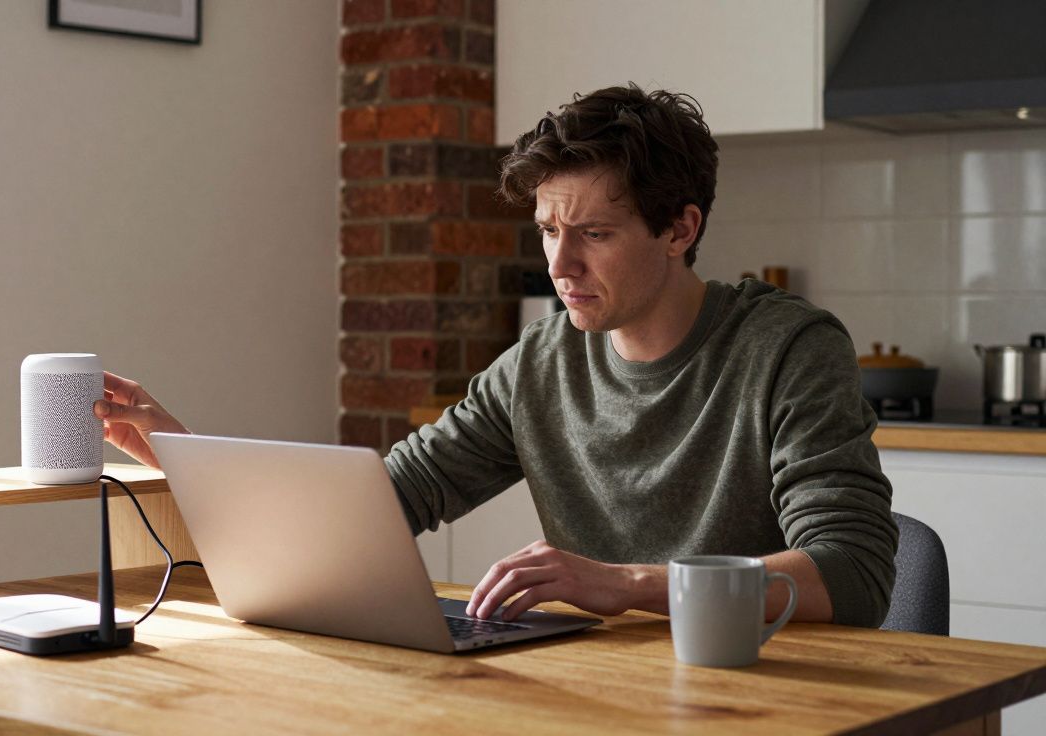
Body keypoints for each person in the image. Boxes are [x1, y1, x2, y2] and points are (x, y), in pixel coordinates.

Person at [94, 83, 898, 629]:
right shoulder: (540, 365)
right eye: (550, 230)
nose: (560, 263)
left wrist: (620, 585)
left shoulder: (787, 349)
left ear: (680, 230)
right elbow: (381, 504)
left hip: (770, 701)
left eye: (596, 233)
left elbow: (852, 574)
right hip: (601, 696)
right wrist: (185, 453)